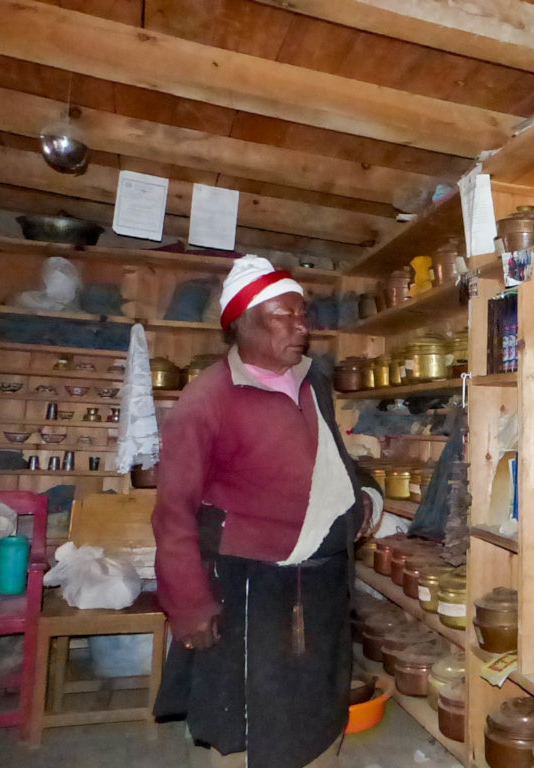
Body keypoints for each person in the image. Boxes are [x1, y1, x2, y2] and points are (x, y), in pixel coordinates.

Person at [152, 255, 382, 768]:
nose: (302, 326)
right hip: (251, 587)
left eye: (304, 314)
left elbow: (334, 460)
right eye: (285, 315)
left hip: (322, 581)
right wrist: (188, 604)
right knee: (249, 716)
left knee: (320, 703)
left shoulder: (310, 380)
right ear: (241, 323)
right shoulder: (206, 401)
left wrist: (364, 497)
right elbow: (173, 512)